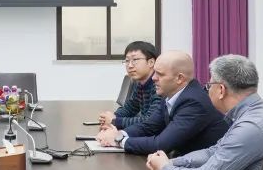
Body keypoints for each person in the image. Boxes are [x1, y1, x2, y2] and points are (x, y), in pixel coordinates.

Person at [96, 50, 227, 156]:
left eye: (160, 74)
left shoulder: (194, 102)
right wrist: (119, 134)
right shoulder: (171, 93)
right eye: (155, 73)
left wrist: (118, 140)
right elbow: (149, 126)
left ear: (179, 78)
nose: (154, 78)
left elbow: (161, 144)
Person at [98, 41, 161, 129]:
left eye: (135, 60)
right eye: (127, 61)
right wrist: (112, 117)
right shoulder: (140, 83)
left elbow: (149, 121)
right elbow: (130, 108)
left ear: (151, 62)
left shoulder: (159, 85)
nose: (130, 65)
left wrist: (115, 121)